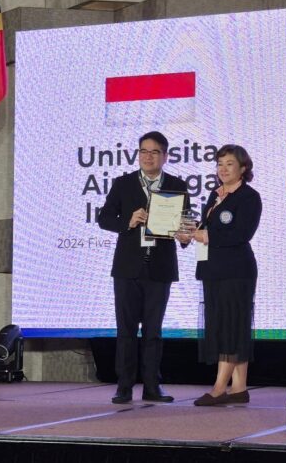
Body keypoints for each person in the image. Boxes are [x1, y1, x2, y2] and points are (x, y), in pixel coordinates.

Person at [98, 131, 191, 404]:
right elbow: (104, 218)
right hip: (127, 268)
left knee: (153, 332)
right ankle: (124, 387)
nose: (148, 157)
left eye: (154, 152)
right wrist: (127, 221)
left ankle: (152, 386)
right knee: (126, 331)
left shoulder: (177, 185)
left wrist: (185, 236)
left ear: (165, 156)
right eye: (143, 151)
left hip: (160, 268)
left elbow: (185, 224)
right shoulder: (123, 183)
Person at [191, 144, 262, 406]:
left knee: (232, 326)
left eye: (229, 163)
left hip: (236, 270)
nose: (223, 169)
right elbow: (206, 227)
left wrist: (207, 236)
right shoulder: (216, 194)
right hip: (213, 269)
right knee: (227, 326)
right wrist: (190, 233)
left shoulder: (249, 197)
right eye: (220, 164)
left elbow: (242, 234)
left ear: (243, 168)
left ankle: (219, 388)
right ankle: (239, 388)